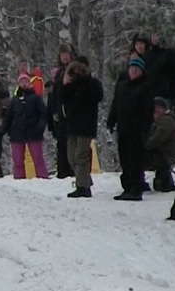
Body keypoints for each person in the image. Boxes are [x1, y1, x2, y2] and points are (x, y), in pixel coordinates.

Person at [106, 57, 153, 200]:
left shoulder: (145, 87)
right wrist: (111, 121)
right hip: (123, 128)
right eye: (131, 69)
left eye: (136, 70)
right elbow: (115, 105)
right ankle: (127, 187)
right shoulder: (122, 86)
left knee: (135, 160)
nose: (133, 71)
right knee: (125, 159)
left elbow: (148, 110)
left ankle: (135, 188)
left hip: (137, 130)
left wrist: (145, 129)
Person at [61, 58, 104, 198]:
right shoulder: (70, 84)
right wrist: (65, 85)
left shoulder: (93, 84)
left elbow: (97, 97)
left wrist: (83, 82)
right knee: (71, 156)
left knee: (81, 155)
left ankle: (82, 186)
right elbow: (61, 99)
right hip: (72, 125)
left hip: (86, 125)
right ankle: (85, 181)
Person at [4, 72, 48, 179]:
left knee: (38, 158)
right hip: (17, 134)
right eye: (21, 82)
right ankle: (19, 180)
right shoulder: (14, 101)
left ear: (30, 83)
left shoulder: (36, 98)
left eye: (26, 81)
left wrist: (41, 127)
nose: (24, 84)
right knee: (17, 160)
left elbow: (43, 114)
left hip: (34, 132)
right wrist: (4, 130)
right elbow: (8, 117)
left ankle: (42, 178)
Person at [47, 43, 76, 179]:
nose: (64, 57)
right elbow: (54, 95)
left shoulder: (75, 70)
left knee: (72, 144)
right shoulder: (58, 73)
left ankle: (71, 169)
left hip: (72, 112)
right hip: (60, 113)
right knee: (61, 144)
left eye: (67, 54)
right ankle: (62, 170)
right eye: (62, 54)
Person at [144, 97, 175, 192]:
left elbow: (157, 138)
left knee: (138, 158)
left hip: (165, 155)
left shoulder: (166, 121)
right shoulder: (164, 120)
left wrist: (144, 147)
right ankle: (163, 182)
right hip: (165, 153)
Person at [147, 33, 175, 114]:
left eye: (158, 35)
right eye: (154, 35)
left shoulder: (173, 54)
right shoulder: (148, 55)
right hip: (151, 97)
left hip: (169, 97)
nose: (156, 38)